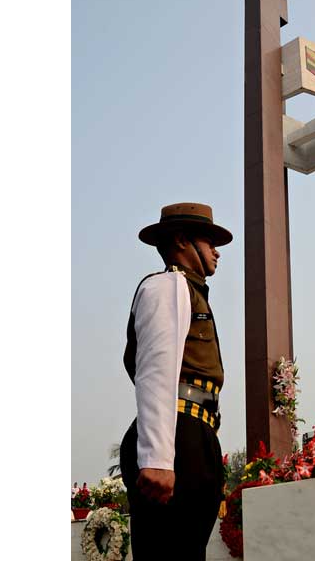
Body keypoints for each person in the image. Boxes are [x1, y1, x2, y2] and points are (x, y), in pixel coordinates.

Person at [120, 202, 231, 561]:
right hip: (176, 436)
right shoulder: (167, 286)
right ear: (182, 241)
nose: (216, 251)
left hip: (195, 434)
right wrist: (157, 458)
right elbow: (155, 370)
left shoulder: (191, 292)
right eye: (208, 240)